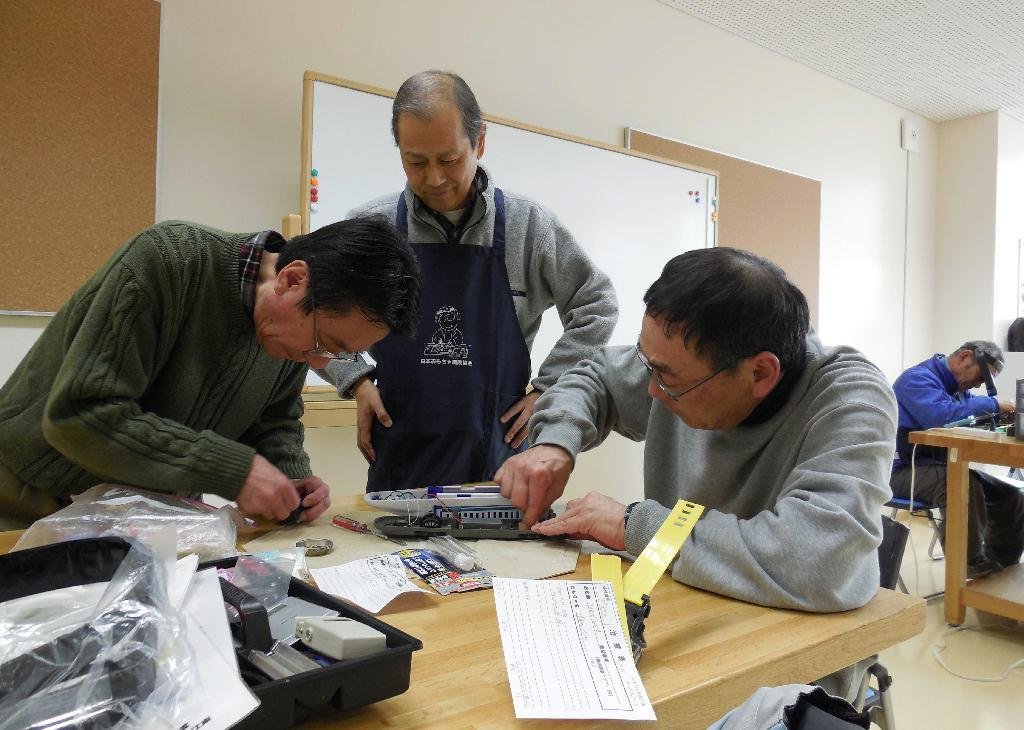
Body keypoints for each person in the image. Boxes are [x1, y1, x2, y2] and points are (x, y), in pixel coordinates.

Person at [495, 247, 898, 614]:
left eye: (667, 378)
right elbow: (595, 375)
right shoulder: (686, 360)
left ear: (760, 373)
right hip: (681, 604)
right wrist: (555, 444)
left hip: (787, 657)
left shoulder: (850, 402)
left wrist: (633, 527)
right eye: (646, 364)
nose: (651, 390)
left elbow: (819, 562)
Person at [0, 217, 419, 530]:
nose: (319, 362)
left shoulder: (287, 336)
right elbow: (80, 415)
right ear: (293, 280)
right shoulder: (168, 263)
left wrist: (291, 483)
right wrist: (235, 470)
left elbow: (273, 420)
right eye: (325, 343)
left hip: (141, 520)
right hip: (31, 499)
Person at [320, 70, 618, 493]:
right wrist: (354, 377)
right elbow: (311, 310)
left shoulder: (528, 227)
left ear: (479, 141)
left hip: (499, 464)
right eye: (416, 162)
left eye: (449, 159)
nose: (434, 179)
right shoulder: (375, 227)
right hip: (401, 463)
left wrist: (548, 388)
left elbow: (598, 304)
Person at [890, 341, 1024, 578]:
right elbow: (942, 417)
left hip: (937, 469)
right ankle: (969, 565)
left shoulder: (958, 389)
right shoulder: (916, 379)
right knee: (961, 484)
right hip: (900, 472)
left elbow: (966, 418)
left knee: (1012, 497)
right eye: (981, 376)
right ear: (964, 357)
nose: (979, 384)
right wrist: (993, 403)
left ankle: (1000, 568)